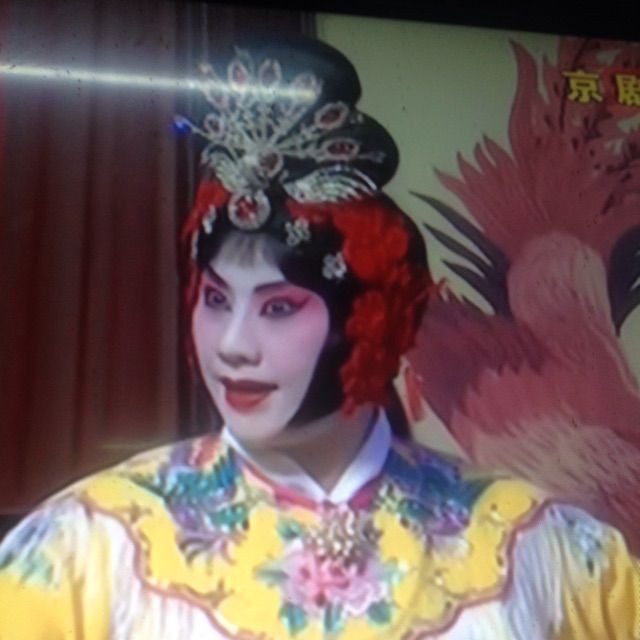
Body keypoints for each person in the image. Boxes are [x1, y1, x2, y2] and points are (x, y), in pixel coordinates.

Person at [0, 36, 638, 640]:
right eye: (216, 300)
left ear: (374, 316)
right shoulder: (85, 546)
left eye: (279, 307)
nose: (233, 345)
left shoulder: (546, 548)